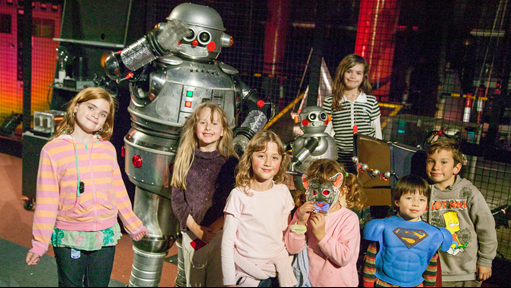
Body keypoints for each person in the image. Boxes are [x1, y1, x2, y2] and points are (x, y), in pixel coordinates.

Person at [25, 87, 148, 287]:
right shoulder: (52, 151)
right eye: (91, 107)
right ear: (75, 107)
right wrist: (40, 243)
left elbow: (117, 190)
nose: (95, 115)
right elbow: (47, 201)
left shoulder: (107, 149)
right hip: (69, 235)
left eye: (102, 114)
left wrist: (132, 223)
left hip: (105, 235)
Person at [170, 102, 238, 287]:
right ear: (194, 127)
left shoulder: (231, 163)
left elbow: (235, 200)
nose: (208, 127)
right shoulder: (184, 158)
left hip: (221, 234)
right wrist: (196, 229)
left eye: (215, 123)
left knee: (217, 281)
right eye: (203, 122)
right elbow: (177, 200)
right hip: (192, 234)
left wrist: (215, 228)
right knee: (194, 282)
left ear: (223, 130)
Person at [221, 130, 297, 287]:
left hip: (279, 272)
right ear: (250, 158)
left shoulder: (283, 192)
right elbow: (227, 243)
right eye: (261, 156)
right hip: (249, 274)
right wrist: (229, 283)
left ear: (281, 161)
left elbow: (284, 231)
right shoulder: (238, 195)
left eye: (274, 157)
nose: (268, 163)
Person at [425, 138, 497, 287]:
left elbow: (486, 227)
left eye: (444, 162)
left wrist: (485, 261)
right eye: (431, 161)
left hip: (467, 273)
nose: (436, 167)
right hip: (434, 272)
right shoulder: (422, 193)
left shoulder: (468, 192)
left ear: (456, 168)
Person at [285, 158, 365, 287]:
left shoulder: (349, 219)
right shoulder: (303, 213)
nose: (320, 198)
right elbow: (292, 248)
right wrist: (300, 222)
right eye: (315, 192)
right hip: (310, 282)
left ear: (341, 191)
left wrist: (321, 236)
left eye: (326, 192)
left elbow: (344, 258)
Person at [363, 174, 452, 287]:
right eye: (409, 198)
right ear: (397, 201)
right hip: (384, 283)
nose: (416, 203)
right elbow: (370, 261)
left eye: (421, 199)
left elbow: (431, 266)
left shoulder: (433, 233)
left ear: (427, 204)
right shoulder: (382, 226)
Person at [323, 54, 382, 173]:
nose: (353, 76)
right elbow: (326, 131)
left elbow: (377, 132)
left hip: (366, 157)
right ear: (342, 73)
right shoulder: (330, 101)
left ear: (363, 77)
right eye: (349, 71)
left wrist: (377, 155)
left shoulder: (370, 101)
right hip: (340, 157)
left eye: (358, 73)